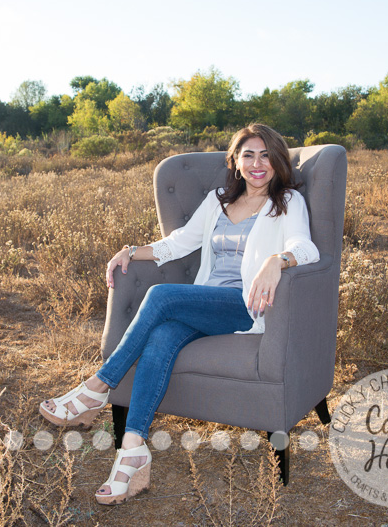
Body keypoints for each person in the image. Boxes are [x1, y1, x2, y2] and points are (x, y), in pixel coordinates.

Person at [39, 123, 319, 505]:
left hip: (245, 307)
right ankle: (133, 450)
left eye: (266, 156)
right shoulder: (218, 200)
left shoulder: (286, 201)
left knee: (161, 296)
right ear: (236, 162)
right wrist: (130, 251)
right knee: (161, 336)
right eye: (249, 155)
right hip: (205, 303)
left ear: (277, 161)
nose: (258, 164)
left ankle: (98, 387)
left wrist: (277, 260)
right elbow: (179, 243)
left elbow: (307, 248)